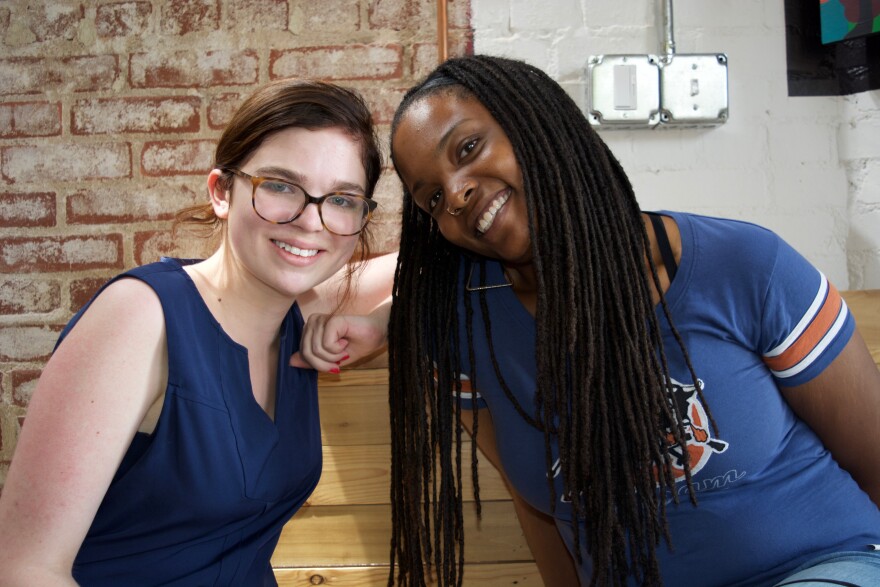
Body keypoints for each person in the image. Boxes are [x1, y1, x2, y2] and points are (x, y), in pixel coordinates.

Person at [296, 55, 880, 586]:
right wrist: (394, 320)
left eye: (468, 149)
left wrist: (395, 317)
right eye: (431, 199)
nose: (457, 193)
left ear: (538, 122)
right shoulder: (469, 329)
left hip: (819, 567)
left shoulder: (745, 268)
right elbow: (539, 512)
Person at [0, 78, 394, 586]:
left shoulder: (302, 307)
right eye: (279, 186)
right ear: (222, 192)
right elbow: (22, 569)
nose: (309, 221)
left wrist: (381, 324)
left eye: (341, 199)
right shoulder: (141, 317)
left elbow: (438, 273)